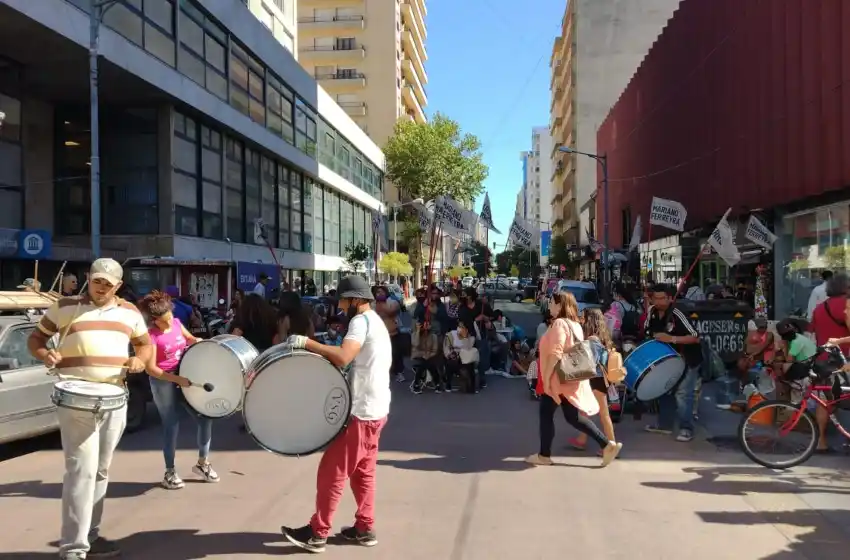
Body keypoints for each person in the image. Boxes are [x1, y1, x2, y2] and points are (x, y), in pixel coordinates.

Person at [26, 258, 152, 560]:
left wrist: (140, 359)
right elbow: (36, 338)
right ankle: (73, 548)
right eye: (97, 281)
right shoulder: (64, 307)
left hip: (114, 397)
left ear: (118, 286)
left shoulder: (130, 312)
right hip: (75, 398)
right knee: (81, 470)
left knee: (100, 470)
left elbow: (145, 345)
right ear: (88, 278)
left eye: (108, 284)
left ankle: (90, 536)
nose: (101, 287)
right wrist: (45, 354)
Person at [280, 275, 391, 552]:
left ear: (355, 300)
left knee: (332, 472)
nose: (340, 306)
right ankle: (364, 528)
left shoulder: (360, 322)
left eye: (342, 300)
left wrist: (307, 343)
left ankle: (317, 533)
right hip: (376, 410)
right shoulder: (375, 321)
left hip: (362, 413)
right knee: (363, 473)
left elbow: (343, 356)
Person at [526, 291, 622, 467]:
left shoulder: (559, 323)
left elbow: (556, 353)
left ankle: (544, 455)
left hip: (556, 379)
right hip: (569, 378)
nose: (549, 306)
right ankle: (607, 445)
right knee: (573, 417)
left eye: (552, 302)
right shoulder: (575, 325)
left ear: (560, 305)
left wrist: (546, 379)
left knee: (547, 415)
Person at [139, 290, 219, 489]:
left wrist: (199, 342)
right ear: (154, 319)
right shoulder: (151, 336)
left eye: (170, 316)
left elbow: (189, 338)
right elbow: (151, 369)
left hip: (184, 375)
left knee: (204, 417)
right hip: (163, 382)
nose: (169, 321)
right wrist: (177, 379)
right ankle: (170, 472)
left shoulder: (176, 323)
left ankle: (203, 463)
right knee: (171, 424)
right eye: (164, 320)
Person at [642, 283, 703, 442]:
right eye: (655, 298)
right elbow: (647, 332)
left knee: (683, 394)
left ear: (670, 298)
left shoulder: (677, 313)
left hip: (688, 358)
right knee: (665, 390)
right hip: (667, 360)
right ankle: (665, 425)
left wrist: (671, 338)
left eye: (662, 298)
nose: (658, 301)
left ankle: (686, 428)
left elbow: (695, 337)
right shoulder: (652, 312)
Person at [773, 319, 829, 452]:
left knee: (782, 371)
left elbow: (788, 361)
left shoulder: (796, 342)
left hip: (807, 373)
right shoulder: (798, 338)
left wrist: (782, 349)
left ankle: (792, 415)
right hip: (812, 371)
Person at [568, 309, 618, 454]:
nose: (580, 320)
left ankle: (611, 445)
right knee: (586, 411)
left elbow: (591, 363)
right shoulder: (601, 338)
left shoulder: (592, 341)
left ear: (590, 321)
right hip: (598, 380)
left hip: (595, 380)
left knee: (603, 414)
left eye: (583, 318)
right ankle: (582, 440)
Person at [458, 287, 494, 390]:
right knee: (469, 356)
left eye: (466, 295)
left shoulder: (481, 305)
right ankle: (470, 379)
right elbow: (461, 320)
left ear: (471, 296)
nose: (464, 297)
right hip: (467, 335)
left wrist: (485, 318)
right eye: (463, 295)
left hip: (480, 334)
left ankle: (482, 378)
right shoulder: (462, 307)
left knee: (481, 355)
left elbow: (493, 315)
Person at [810, 273, 850, 357]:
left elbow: (812, 330)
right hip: (844, 357)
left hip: (823, 357)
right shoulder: (846, 305)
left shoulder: (819, 308)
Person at [375, 285, 406, 383]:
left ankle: (399, 372)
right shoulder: (373, 303)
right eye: (378, 292)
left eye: (382, 292)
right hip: (379, 333)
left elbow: (391, 312)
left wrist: (382, 304)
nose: (380, 294)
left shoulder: (393, 302)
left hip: (392, 332)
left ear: (386, 292)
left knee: (395, 353)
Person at [443, 320, 478, 394]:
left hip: (465, 358)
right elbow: (446, 347)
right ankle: (448, 384)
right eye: (459, 326)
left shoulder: (471, 337)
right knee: (450, 362)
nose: (460, 328)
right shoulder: (451, 335)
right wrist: (449, 354)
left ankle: (471, 387)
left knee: (470, 365)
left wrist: (464, 337)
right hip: (454, 356)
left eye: (462, 327)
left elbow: (468, 348)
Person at [411, 320, 442, 394]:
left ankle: (416, 384)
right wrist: (418, 331)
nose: (426, 327)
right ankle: (437, 383)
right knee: (424, 363)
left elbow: (434, 350)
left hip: (429, 356)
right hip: (418, 355)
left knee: (429, 364)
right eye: (425, 325)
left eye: (428, 325)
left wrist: (428, 355)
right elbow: (416, 344)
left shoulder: (433, 336)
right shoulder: (414, 334)